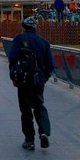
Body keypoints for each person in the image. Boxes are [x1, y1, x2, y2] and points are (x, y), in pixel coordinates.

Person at [8, 16, 55, 151]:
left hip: (23, 81)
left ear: (24, 26)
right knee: (39, 106)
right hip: (38, 80)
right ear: (35, 27)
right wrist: (43, 78)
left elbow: (12, 58)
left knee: (25, 110)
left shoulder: (19, 39)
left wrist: (14, 76)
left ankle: (29, 140)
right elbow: (50, 65)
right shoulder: (44, 42)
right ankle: (44, 132)